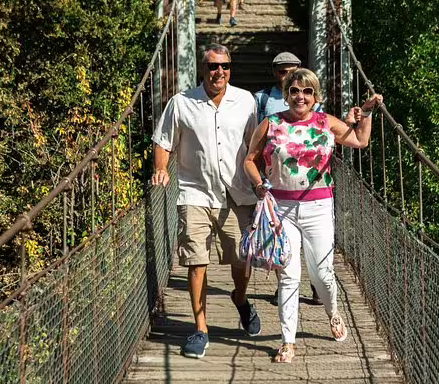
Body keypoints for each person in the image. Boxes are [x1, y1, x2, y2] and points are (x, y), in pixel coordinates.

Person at [244, 68, 383, 363]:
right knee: (288, 276)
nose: (300, 97)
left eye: (307, 92)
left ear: (315, 96)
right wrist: (258, 185)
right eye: (294, 90)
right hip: (280, 208)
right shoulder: (270, 124)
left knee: (322, 275)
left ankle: (332, 312)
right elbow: (249, 161)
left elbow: (360, 141)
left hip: (318, 206)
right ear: (286, 94)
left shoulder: (325, 123)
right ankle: (288, 341)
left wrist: (368, 112)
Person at [152, 43, 262, 359]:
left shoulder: (246, 102)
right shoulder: (181, 102)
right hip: (194, 192)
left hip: (236, 193)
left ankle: (240, 299)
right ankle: (200, 329)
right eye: (213, 66)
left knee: (241, 262)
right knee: (196, 260)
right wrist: (161, 168)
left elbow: (254, 148)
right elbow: (163, 141)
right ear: (204, 68)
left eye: (225, 66)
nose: (219, 72)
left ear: (231, 69)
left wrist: (263, 183)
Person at [254, 52, 322, 306]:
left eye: (293, 70)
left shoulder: (310, 98)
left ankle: (316, 283)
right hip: (276, 179)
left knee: (311, 238)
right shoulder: (263, 99)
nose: (288, 76)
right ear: (275, 73)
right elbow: (255, 137)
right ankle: (284, 285)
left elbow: (324, 130)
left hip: (309, 182)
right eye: (283, 72)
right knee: (281, 235)